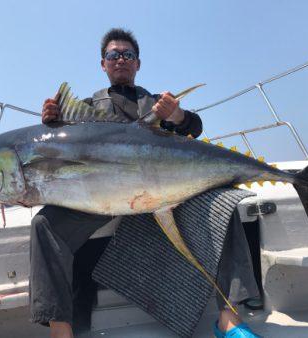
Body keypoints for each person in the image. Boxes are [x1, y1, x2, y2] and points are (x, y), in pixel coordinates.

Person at [31, 27, 261, 338]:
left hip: (161, 192)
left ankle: (229, 320)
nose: (120, 60)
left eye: (128, 55)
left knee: (223, 203)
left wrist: (177, 115)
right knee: (44, 224)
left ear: (138, 63)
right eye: (113, 55)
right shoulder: (84, 109)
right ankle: (61, 330)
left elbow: (194, 128)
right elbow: (60, 147)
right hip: (102, 197)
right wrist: (53, 121)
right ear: (103, 64)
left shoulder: (157, 105)